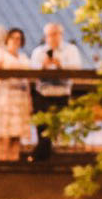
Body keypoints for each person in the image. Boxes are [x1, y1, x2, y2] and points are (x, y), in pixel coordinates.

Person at [29, 21, 83, 161]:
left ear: (61, 35)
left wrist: (61, 65)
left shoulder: (71, 50)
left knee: (59, 127)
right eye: (49, 35)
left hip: (61, 93)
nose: (52, 38)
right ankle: (42, 158)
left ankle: (48, 157)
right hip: (43, 93)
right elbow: (31, 71)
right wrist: (43, 66)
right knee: (43, 127)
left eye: (55, 34)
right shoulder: (39, 52)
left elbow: (77, 68)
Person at [0, 26, 32, 162]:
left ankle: (14, 160)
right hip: (5, 98)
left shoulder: (24, 57)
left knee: (16, 134)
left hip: (20, 98)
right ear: (7, 39)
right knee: (4, 134)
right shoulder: (0, 54)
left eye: (19, 38)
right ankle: (2, 160)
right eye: (13, 38)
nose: (15, 41)